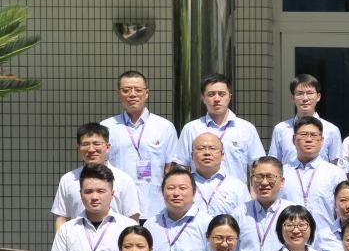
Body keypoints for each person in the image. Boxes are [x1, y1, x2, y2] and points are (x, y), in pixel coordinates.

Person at [102, 70, 179, 220]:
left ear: (147, 93)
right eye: (126, 90)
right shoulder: (107, 127)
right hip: (118, 208)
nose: (132, 94)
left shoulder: (165, 127)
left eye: (138, 90)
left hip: (155, 208)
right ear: (119, 94)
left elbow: (170, 169)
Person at [177, 73, 266, 184]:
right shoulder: (191, 129)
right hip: (200, 193)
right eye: (211, 94)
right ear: (202, 98)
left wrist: (252, 193)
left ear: (230, 96)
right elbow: (182, 166)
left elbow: (257, 167)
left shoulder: (246, 129)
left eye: (222, 94)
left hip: (235, 193)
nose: (217, 99)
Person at [53, 123, 142, 228]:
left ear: (108, 147)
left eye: (97, 143)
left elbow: (132, 218)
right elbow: (62, 218)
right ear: (78, 148)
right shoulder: (68, 179)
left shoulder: (124, 179)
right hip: (77, 237)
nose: (91, 149)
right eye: (85, 144)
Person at [279, 115, 348, 239]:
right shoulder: (282, 173)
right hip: (290, 240)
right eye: (303, 134)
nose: (309, 139)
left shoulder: (335, 173)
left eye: (314, 135)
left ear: (321, 140)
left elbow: (342, 211)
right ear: (293, 139)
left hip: (325, 241)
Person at [234, 156, 297, 251]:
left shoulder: (293, 213)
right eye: (258, 177)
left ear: (282, 182)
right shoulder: (239, 213)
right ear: (251, 181)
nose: (264, 182)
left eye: (270, 177)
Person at [269, 74, 342, 165]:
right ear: (293, 98)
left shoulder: (331, 130)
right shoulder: (280, 129)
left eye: (310, 93)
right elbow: (274, 163)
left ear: (318, 97)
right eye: (300, 94)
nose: (305, 98)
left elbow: (335, 164)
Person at [190, 133, 251, 217]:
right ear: (192, 156)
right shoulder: (181, 186)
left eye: (212, 148)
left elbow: (246, 219)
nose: (207, 153)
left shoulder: (237, 187)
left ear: (222, 155)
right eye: (201, 149)